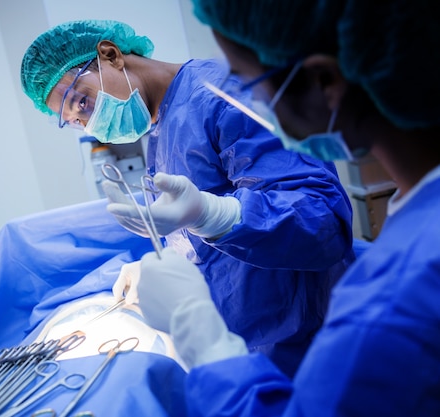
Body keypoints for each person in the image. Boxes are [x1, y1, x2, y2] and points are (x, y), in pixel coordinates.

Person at [135, 0, 440, 415]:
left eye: (247, 83)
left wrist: (200, 337)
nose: (250, 103)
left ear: (323, 81)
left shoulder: (387, 310)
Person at [20, 20, 356, 378]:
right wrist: (172, 267)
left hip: (308, 345)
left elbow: (322, 223)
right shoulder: (162, 125)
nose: (89, 125)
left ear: (110, 54)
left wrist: (213, 214)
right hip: (249, 345)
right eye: (75, 122)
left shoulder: (224, 93)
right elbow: (204, 241)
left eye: (82, 101)